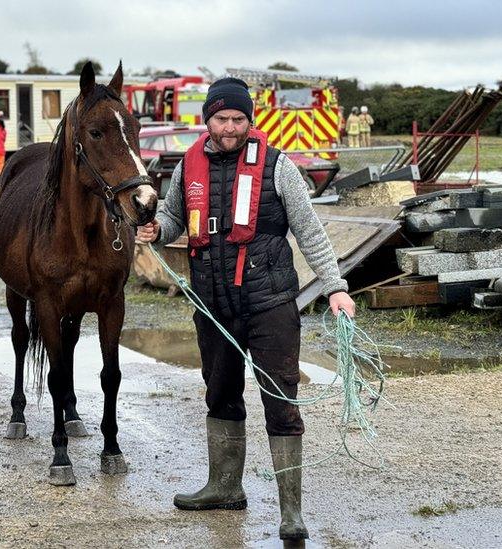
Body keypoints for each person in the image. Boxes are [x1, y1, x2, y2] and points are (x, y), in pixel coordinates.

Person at [135, 77, 355, 542]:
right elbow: (175, 219)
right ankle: (224, 487)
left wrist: (335, 288)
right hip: (213, 306)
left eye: (238, 119)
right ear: (207, 121)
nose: (230, 127)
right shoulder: (186, 167)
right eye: (221, 118)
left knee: (281, 401)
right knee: (220, 394)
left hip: (270, 305)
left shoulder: (279, 168)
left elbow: (310, 232)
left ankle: (290, 511)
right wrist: (157, 229)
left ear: (250, 121)